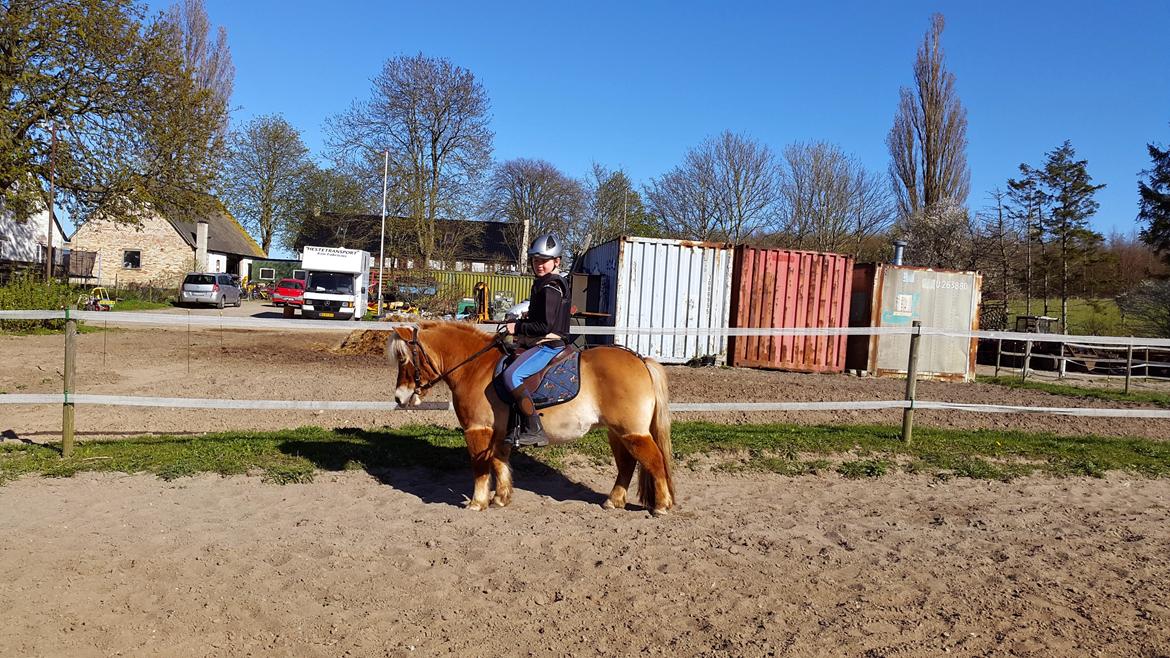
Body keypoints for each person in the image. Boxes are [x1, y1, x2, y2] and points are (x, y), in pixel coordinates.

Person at [502, 232, 571, 447]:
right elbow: (541, 317)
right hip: (542, 340)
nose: (539, 265)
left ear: (556, 261)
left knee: (512, 375)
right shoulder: (544, 282)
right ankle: (513, 426)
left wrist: (518, 326)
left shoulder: (551, 286)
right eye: (535, 260)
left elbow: (545, 326)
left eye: (544, 261)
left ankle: (534, 428)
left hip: (549, 344)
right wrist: (523, 317)